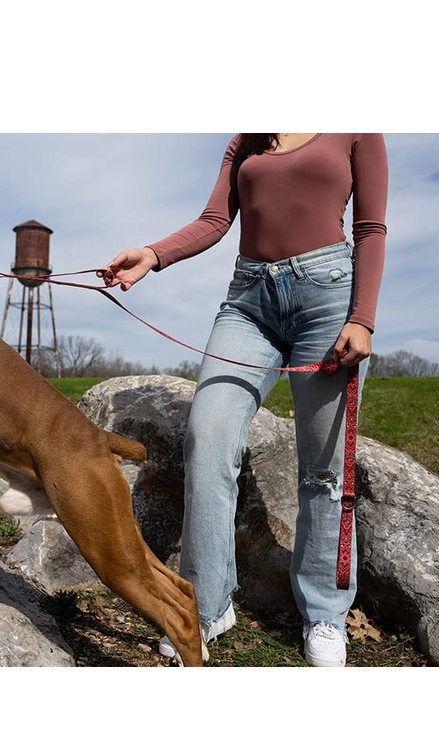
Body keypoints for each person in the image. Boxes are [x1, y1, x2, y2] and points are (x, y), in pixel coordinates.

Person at [102, 133, 388, 667]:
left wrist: (362, 319)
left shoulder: (355, 127)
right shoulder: (245, 139)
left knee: (323, 468)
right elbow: (215, 220)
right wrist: (153, 254)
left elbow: (370, 228)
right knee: (207, 440)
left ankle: (325, 612)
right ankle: (207, 606)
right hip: (248, 303)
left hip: (329, 298)